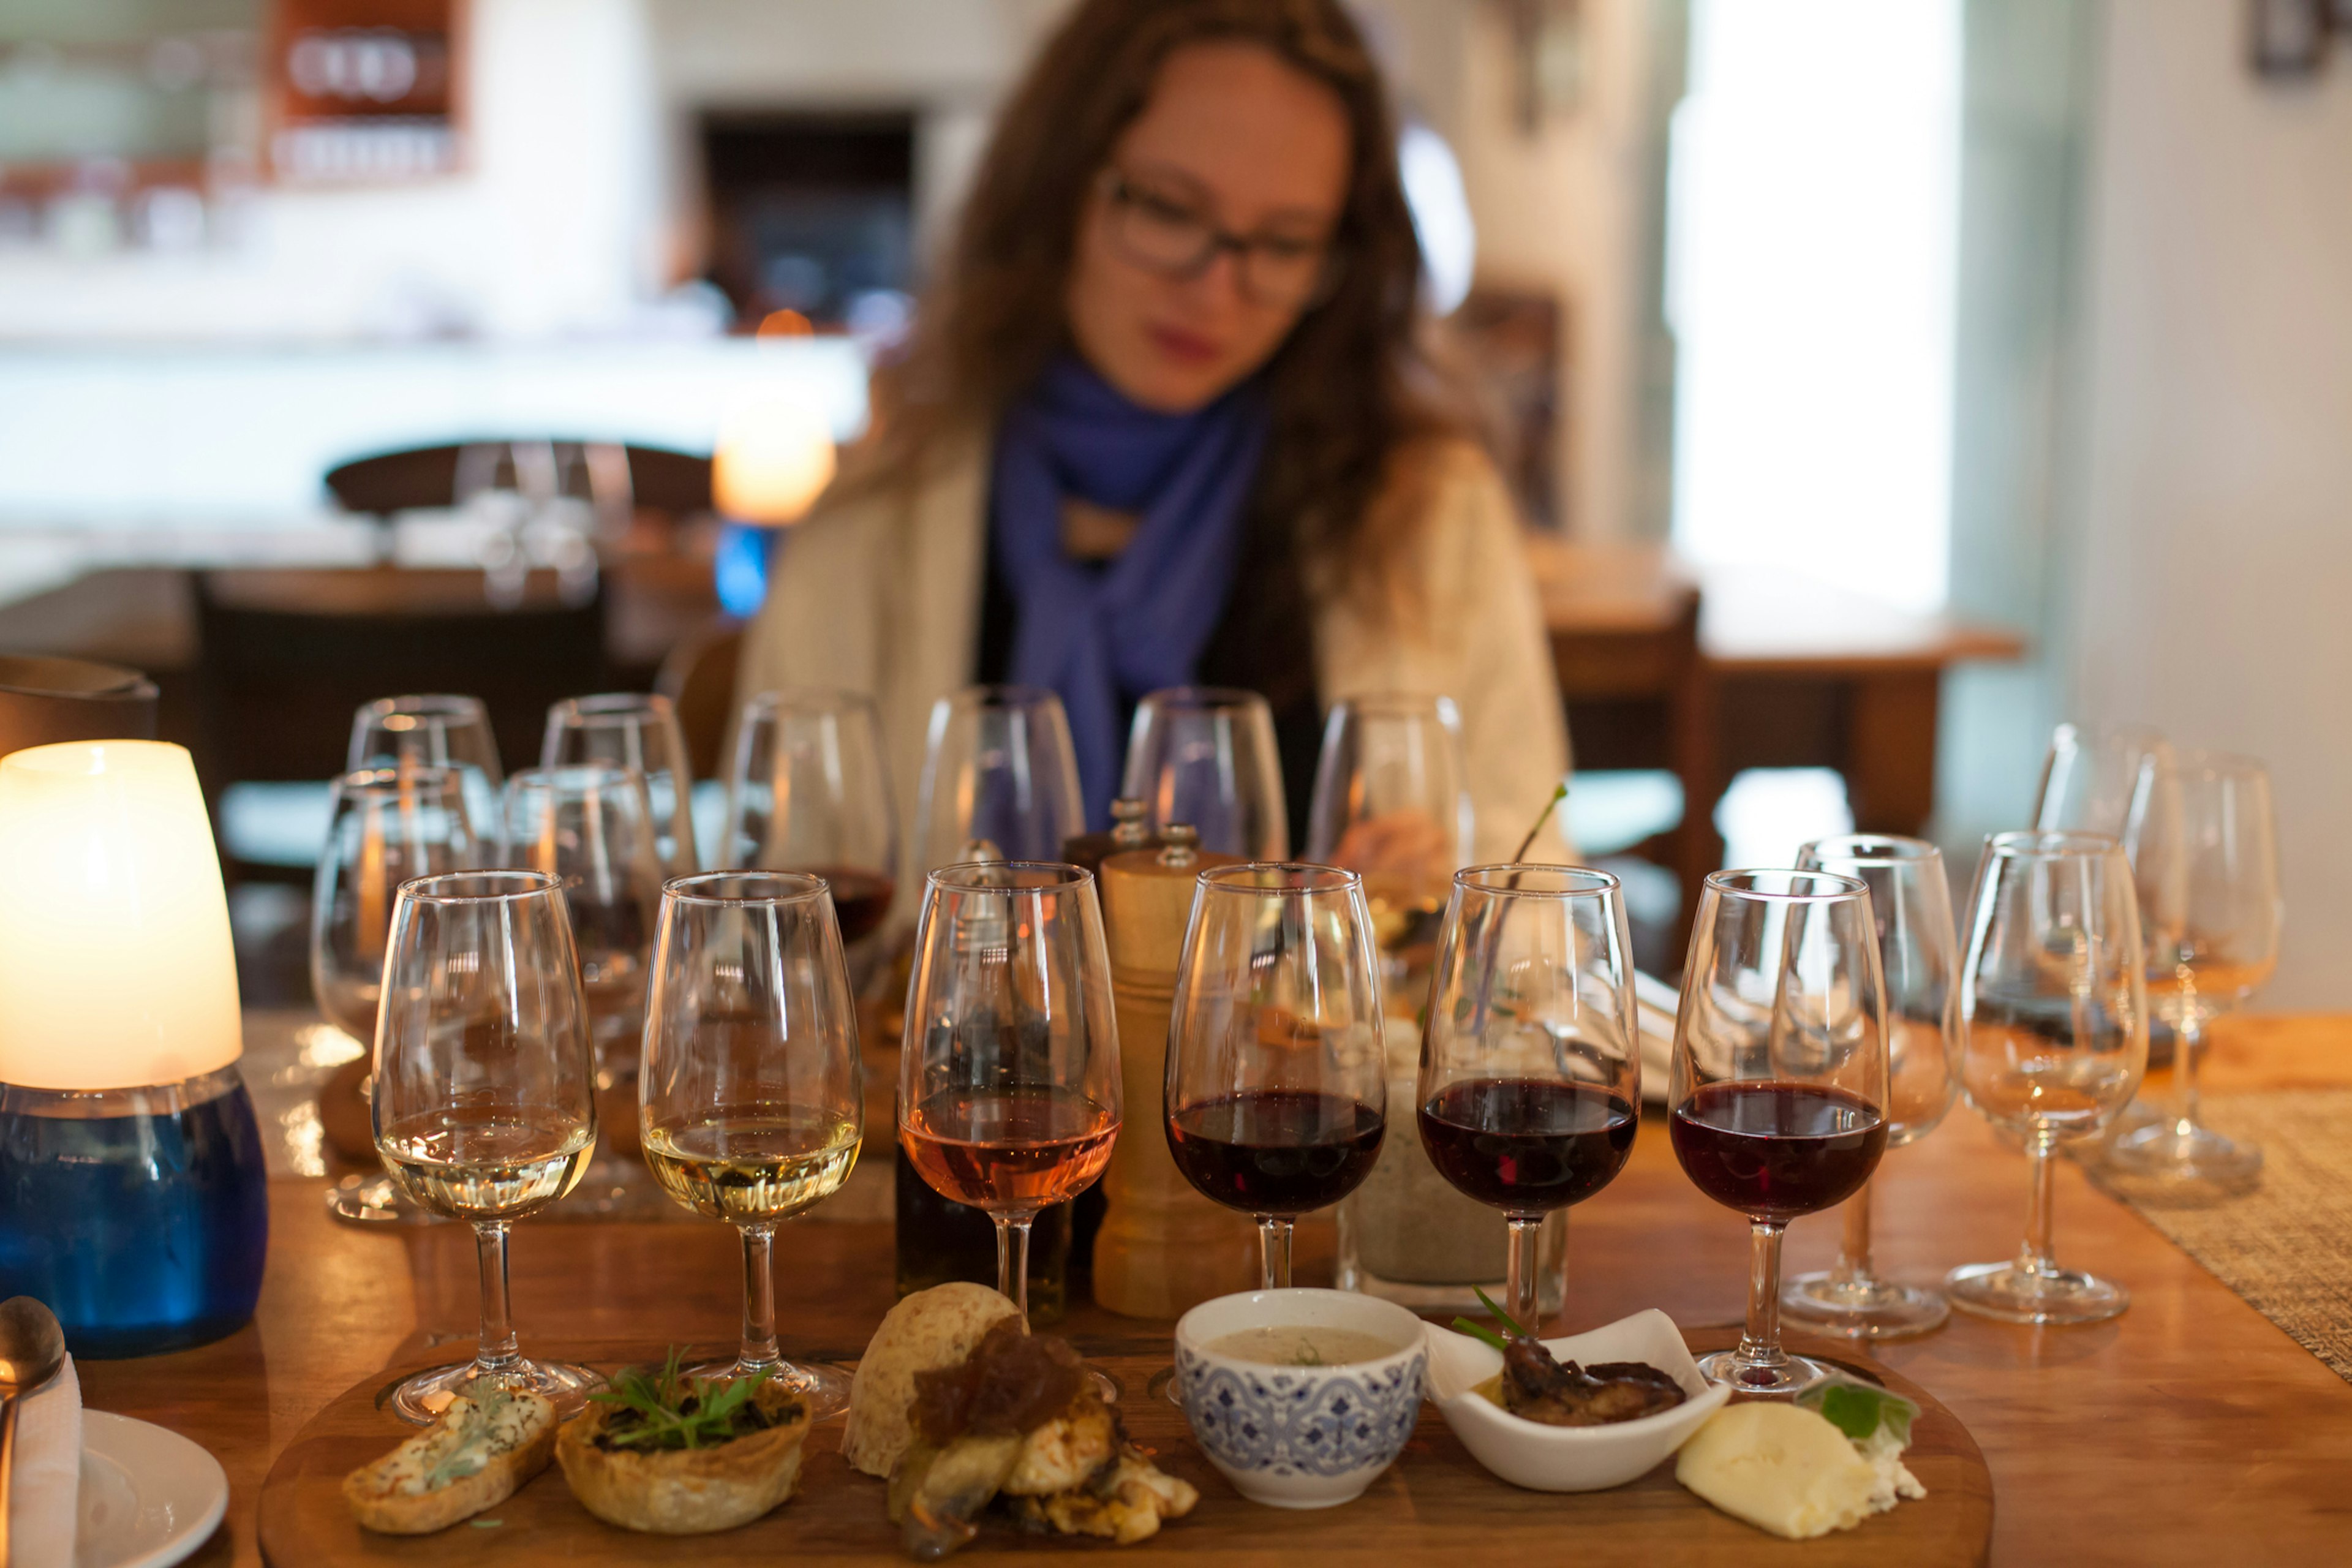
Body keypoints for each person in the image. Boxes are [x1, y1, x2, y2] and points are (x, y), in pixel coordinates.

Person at [738, 0, 1572, 870]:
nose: (1217, 291)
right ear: (1056, 191)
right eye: (1170, 211)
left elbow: (1537, 882)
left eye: (1285, 244)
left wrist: (1442, 906)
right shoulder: (874, 524)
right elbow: (774, 937)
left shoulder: (1426, 506)